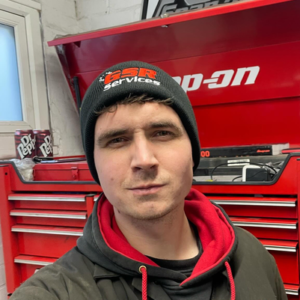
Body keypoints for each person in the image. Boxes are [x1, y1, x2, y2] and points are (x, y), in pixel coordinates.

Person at [11, 61, 287, 300]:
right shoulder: (55, 292)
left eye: (162, 133)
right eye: (117, 140)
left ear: (193, 152)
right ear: (95, 164)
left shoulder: (253, 256)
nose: (144, 159)